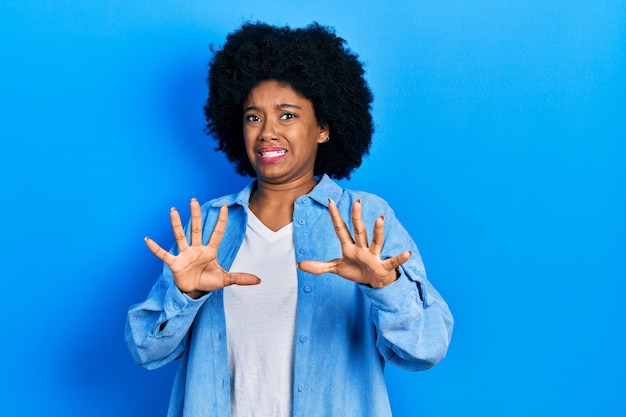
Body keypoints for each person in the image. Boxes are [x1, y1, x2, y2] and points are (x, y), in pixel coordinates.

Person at [125, 22, 453, 417]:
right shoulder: (210, 225)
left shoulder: (364, 219)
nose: (267, 133)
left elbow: (426, 349)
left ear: (324, 128)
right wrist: (187, 295)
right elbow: (145, 350)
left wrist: (387, 287)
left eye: (287, 115)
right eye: (253, 117)